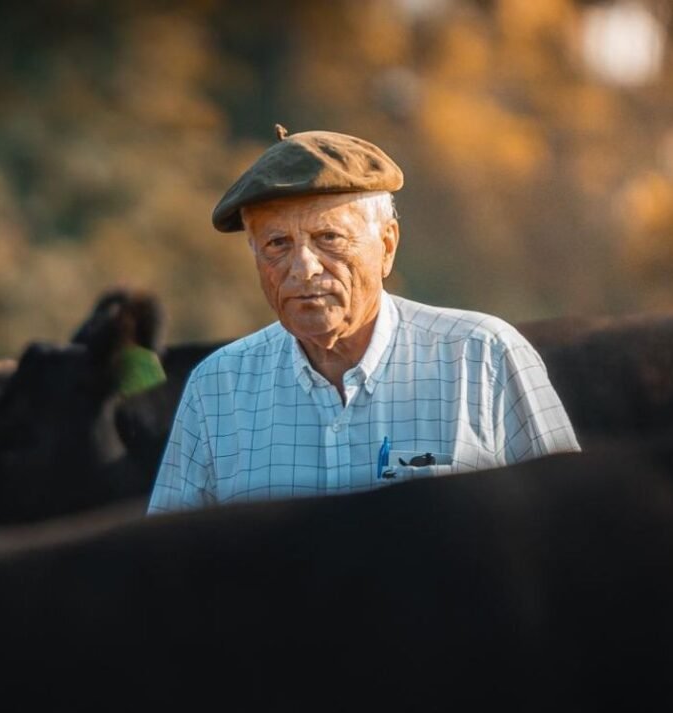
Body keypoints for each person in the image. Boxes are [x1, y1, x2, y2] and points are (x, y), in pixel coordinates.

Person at [148, 126, 579, 514]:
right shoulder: (216, 390)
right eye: (277, 243)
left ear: (387, 246)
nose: (304, 268)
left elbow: (576, 530)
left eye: (328, 238)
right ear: (255, 257)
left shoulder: (483, 357)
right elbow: (163, 574)